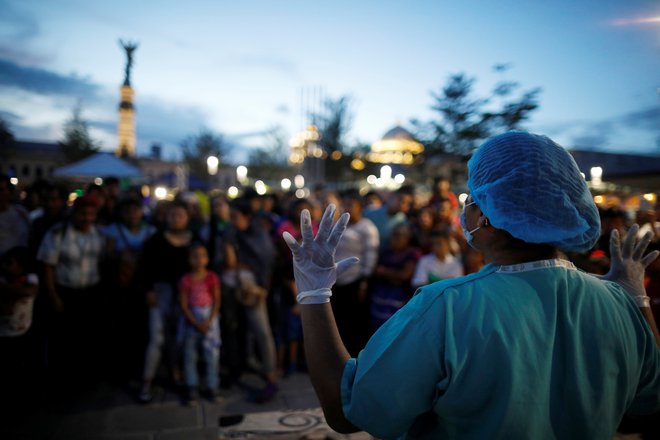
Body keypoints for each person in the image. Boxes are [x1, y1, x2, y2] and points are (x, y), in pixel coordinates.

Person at [283, 131, 660, 439]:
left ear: (488, 216)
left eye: (472, 199)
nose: (464, 210)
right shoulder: (619, 304)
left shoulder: (446, 308)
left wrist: (313, 293)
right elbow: (647, 408)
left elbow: (347, 412)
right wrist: (636, 300)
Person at [178, 242, 221, 405]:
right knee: (190, 355)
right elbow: (183, 304)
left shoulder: (211, 277)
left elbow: (216, 301)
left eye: (202, 256)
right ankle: (192, 387)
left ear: (207, 259)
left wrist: (209, 321)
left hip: (209, 317)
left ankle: (212, 386)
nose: (199, 259)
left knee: (212, 355)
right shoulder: (186, 280)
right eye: (195, 256)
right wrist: (195, 322)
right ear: (189, 260)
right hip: (192, 319)